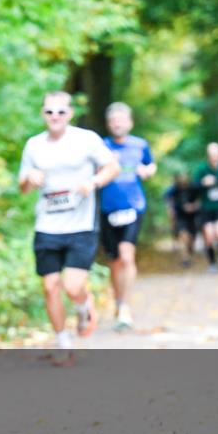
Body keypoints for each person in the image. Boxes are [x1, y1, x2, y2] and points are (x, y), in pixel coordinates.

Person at [19, 92, 119, 356]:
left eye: (61, 112)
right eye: (50, 112)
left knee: (73, 286)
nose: (55, 117)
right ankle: (63, 340)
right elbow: (23, 187)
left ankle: (84, 305)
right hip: (47, 226)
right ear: (43, 114)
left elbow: (112, 167)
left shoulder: (86, 140)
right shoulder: (34, 145)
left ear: (70, 114)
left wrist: (93, 183)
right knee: (50, 286)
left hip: (80, 226)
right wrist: (30, 177)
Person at [98, 102, 156, 330]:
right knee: (114, 262)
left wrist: (147, 171)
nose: (118, 124)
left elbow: (151, 165)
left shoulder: (140, 145)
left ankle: (125, 307)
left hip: (133, 206)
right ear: (108, 124)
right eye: (113, 121)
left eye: (121, 120)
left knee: (127, 256)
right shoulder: (101, 146)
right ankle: (118, 300)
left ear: (129, 123)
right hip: (107, 208)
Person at [193, 142, 218, 272]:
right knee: (209, 235)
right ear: (208, 155)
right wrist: (203, 183)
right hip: (207, 207)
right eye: (211, 155)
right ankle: (212, 263)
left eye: (216, 154)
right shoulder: (202, 169)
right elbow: (193, 187)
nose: (214, 157)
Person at [164, 173, 199, 267]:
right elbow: (168, 199)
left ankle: (189, 251)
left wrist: (194, 206)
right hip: (180, 216)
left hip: (192, 217)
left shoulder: (193, 187)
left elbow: (200, 198)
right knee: (183, 235)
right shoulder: (173, 189)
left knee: (191, 238)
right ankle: (185, 258)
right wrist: (170, 210)